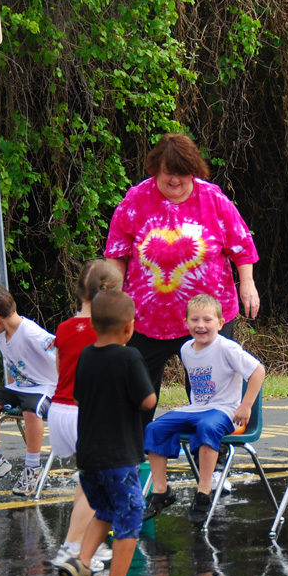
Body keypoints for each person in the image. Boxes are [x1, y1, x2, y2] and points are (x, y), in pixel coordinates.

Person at [104, 132, 260, 437]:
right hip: (146, 320)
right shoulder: (136, 199)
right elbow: (117, 253)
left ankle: (211, 467)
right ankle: (134, 463)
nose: (175, 182)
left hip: (205, 318)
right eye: (168, 175)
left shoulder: (213, 198)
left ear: (194, 171)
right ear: (155, 170)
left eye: (182, 176)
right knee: (138, 395)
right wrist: (114, 298)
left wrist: (248, 284)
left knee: (209, 397)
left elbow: (241, 245)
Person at [57, 289, 158, 576]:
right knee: (129, 519)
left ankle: (81, 564)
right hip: (120, 456)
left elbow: (77, 398)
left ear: (94, 326)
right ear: (129, 327)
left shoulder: (86, 355)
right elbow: (148, 400)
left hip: (88, 456)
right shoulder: (129, 357)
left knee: (103, 511)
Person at [142, 294, 265, 526]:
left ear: (220, 323)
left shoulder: (227, 348)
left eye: (208, 320)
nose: (201, 325)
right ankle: (161, 492)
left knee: (206, 427)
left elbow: (258, 371)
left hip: (225, 410)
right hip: (197, 408)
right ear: (186, 323)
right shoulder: (186, 349)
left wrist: (245, 405)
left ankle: (204, 492)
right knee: (155, 427)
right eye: (195, 320)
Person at [48, 259, 123, 573]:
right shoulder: (105, 330)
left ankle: (88, 543)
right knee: (98, 486)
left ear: (79, 290)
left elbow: (59, 368)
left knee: (88, 478)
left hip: (59, 411)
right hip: (86, 414)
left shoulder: (64, 328)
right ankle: (73, 548)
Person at [0, 283, 57, 496]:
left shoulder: (32, 334)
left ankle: (33, 467)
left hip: (46, 387)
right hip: (21, 387)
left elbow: (61, 356)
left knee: (30, 408)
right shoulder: (2, 334)